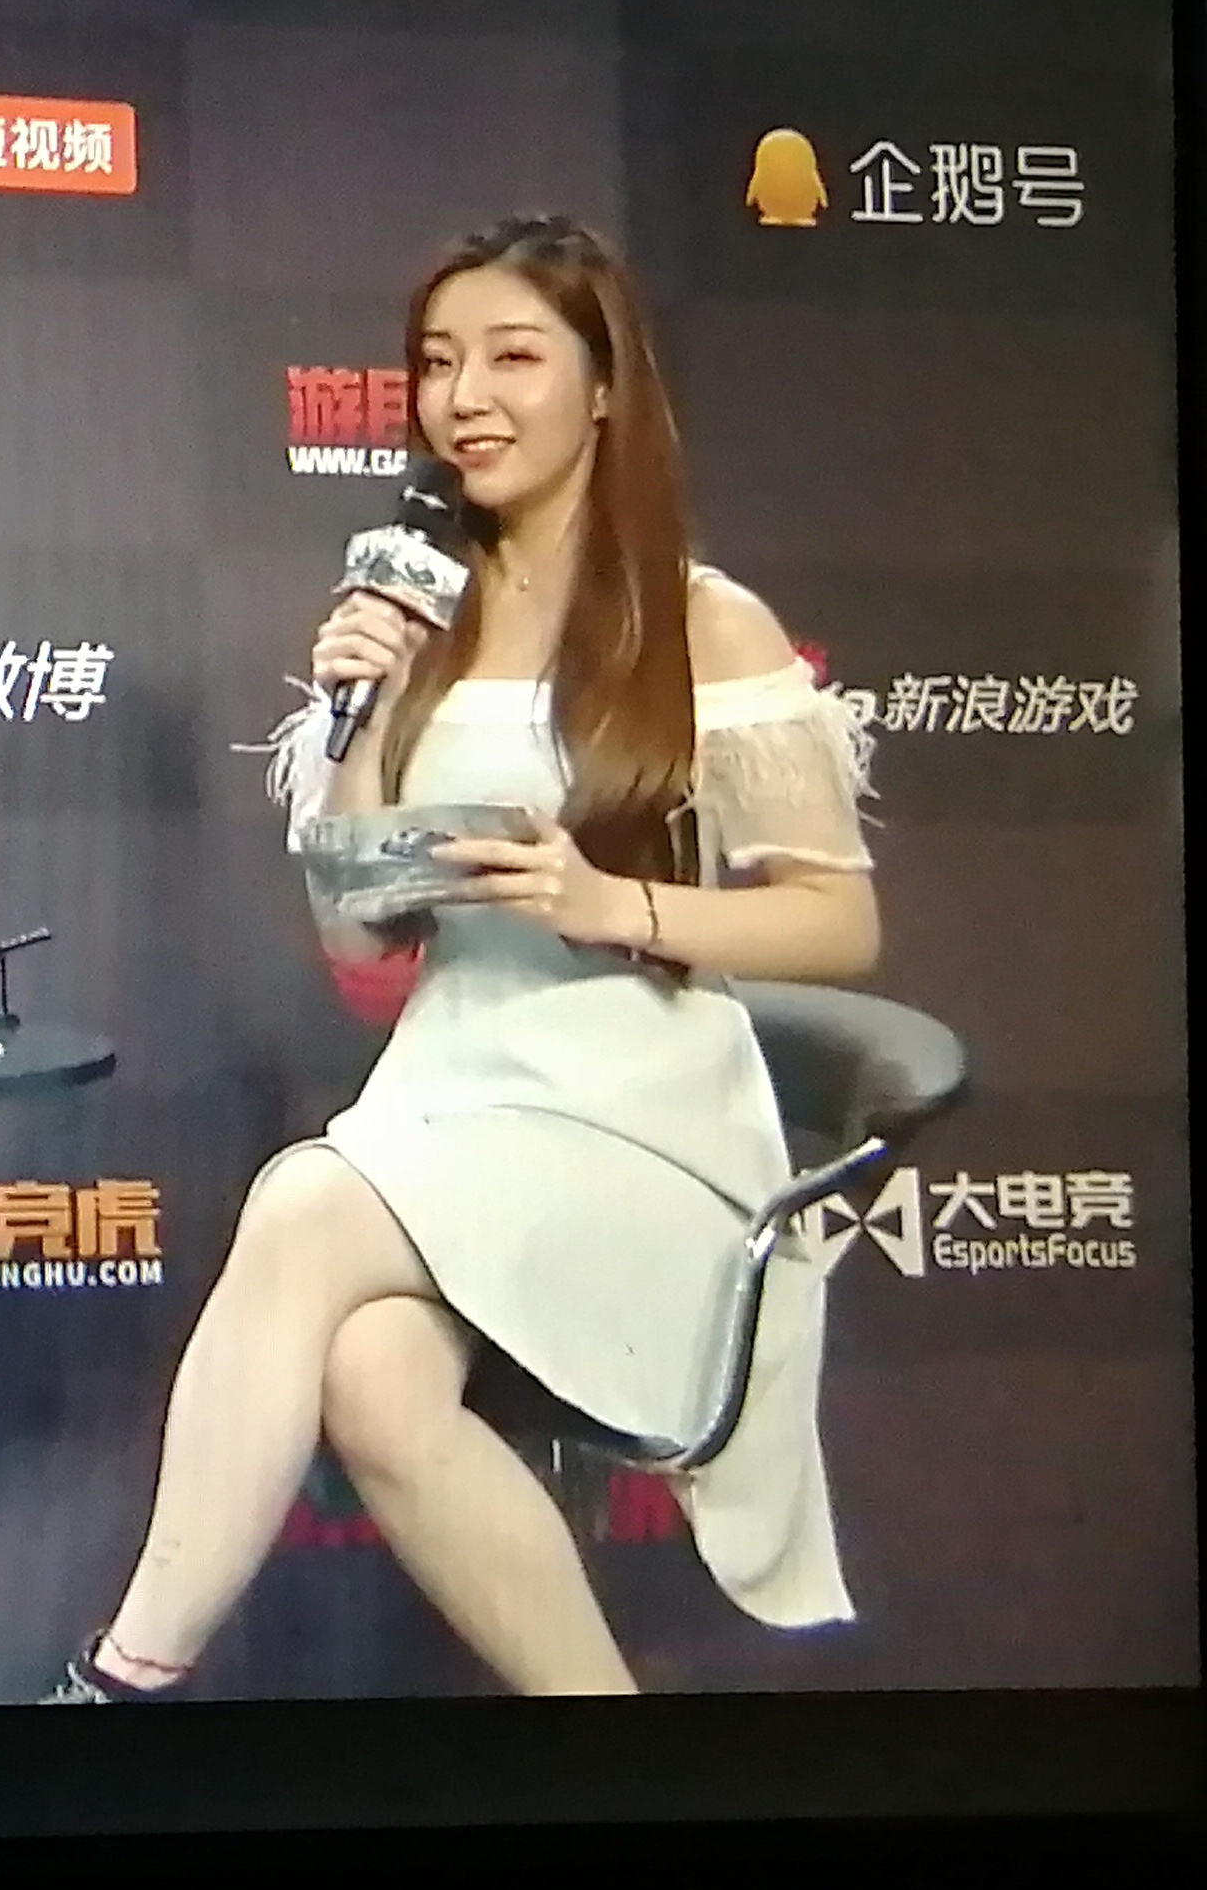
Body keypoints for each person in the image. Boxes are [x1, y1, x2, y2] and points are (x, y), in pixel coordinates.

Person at [57, 215, 880, 1701]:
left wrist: (611, 903)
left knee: (304, 1199)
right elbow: (358, 924)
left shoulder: (703, 623)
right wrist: (359, 718)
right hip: (452, 1103)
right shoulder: (414, 616)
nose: (466, 398)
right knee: (373, 1374)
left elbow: (837, 921)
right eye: (439, 364)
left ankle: (118, 1687)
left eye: (513, 357)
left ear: (605, 387)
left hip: (644, 1132)